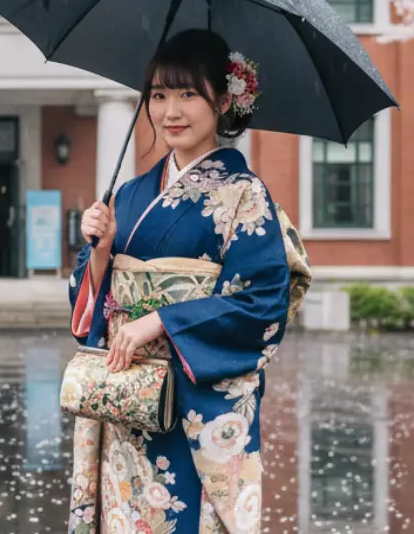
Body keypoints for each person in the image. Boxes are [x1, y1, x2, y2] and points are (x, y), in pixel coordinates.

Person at [67, 29, 312, 533]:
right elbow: (94, 300)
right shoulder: (131, 193)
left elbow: (264, 300)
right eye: (158, 95)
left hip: (190, 399)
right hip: (125, 392)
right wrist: (102, 252)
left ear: (224, 101)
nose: (170, 111)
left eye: (187, 94)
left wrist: (160, 320)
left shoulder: (244, 195)